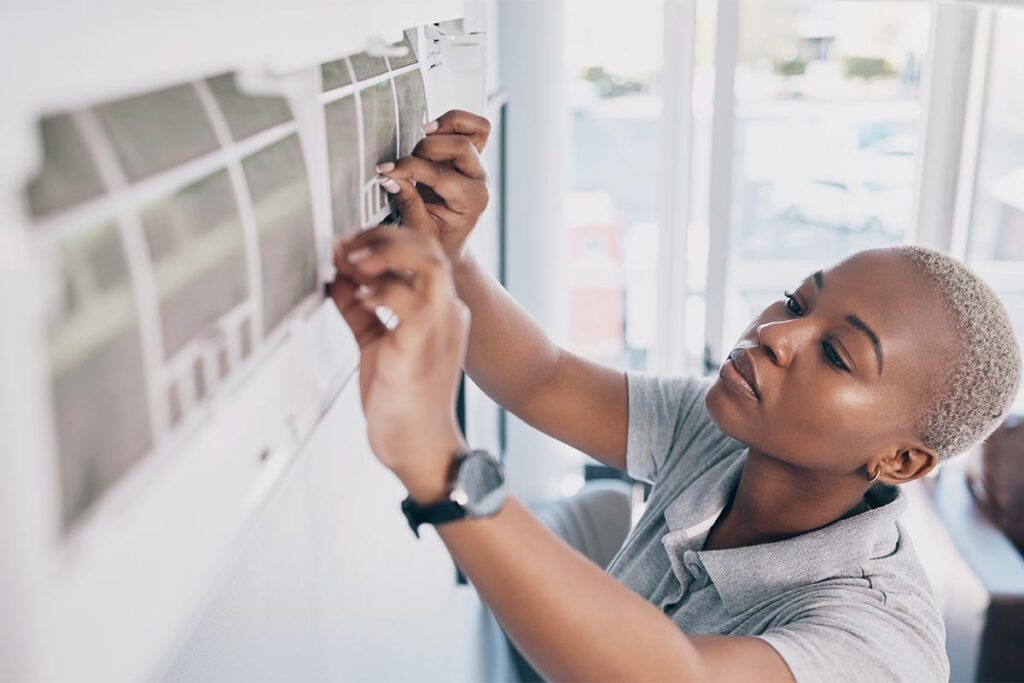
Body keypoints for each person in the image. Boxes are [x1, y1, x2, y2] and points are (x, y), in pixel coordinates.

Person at [328, 110, 1022, 682]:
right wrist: (452, 253)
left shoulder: (881, 644)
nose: (776, 334)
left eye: (836, 355)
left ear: (901, 459)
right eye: (795, 300)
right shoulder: (725, 431)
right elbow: (542, 378)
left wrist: (442, 467)